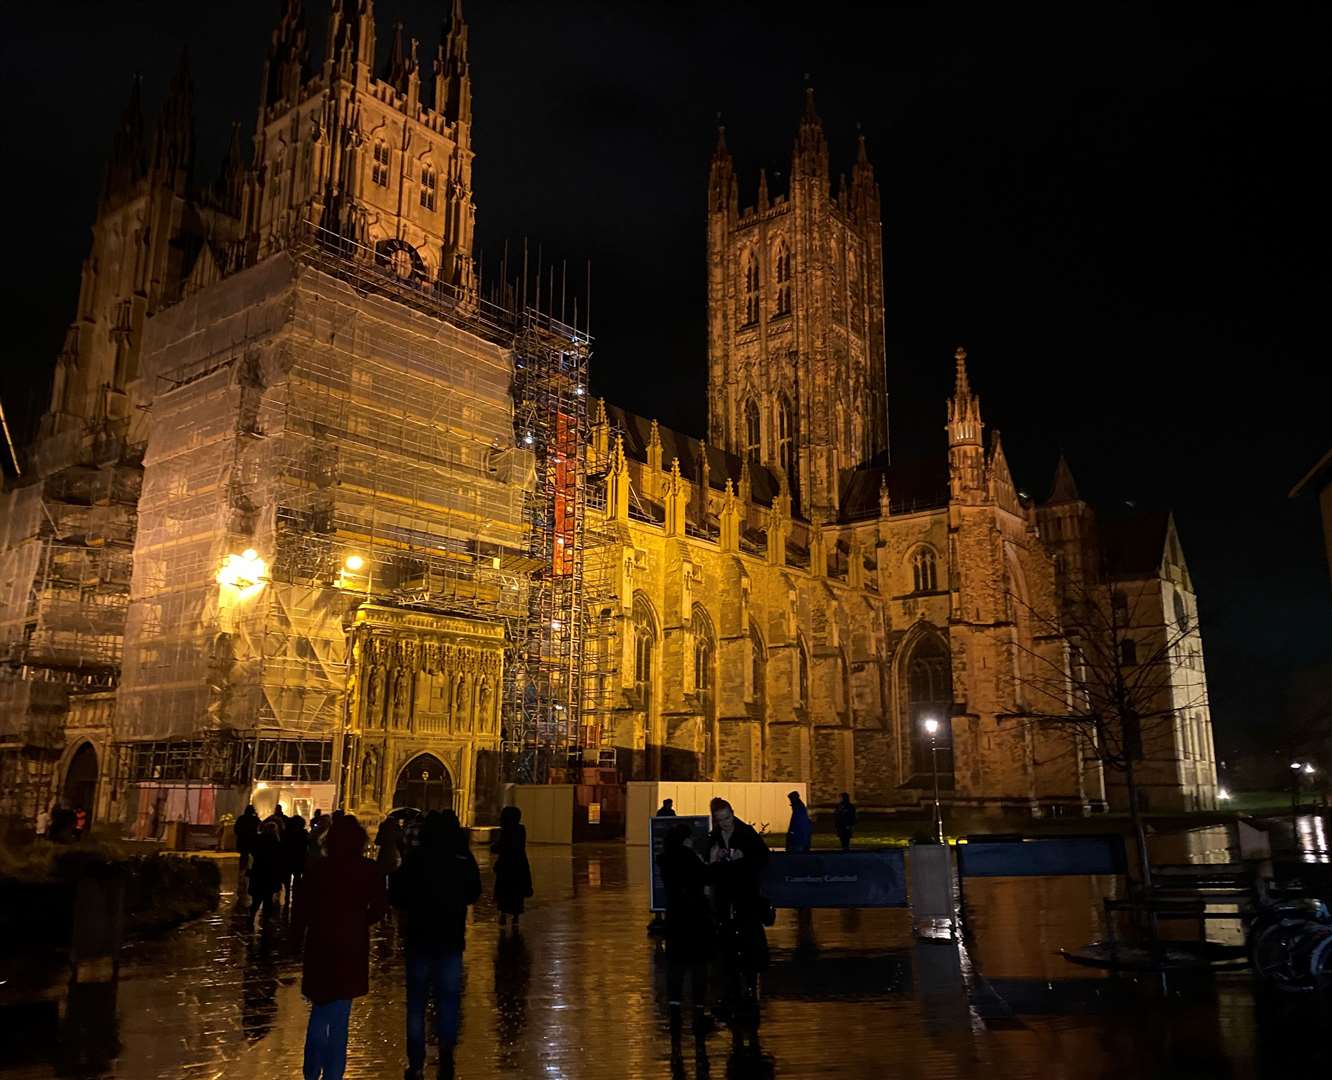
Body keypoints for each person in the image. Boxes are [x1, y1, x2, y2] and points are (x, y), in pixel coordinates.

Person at [292, 814, 387, 1080]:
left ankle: (311, 1071)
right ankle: (334, 1074)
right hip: (350, 947)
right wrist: (359, 922)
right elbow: (380, 908)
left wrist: (295, 939)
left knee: (319, 1011)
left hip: (320, 944)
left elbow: (302, 910)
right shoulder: (368, 869)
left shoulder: (317, 868)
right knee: (340, 1017)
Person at [391, 810, 482, 1080]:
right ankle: (446, 1054)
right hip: (450, 940)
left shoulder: (417, 857)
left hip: (419, 939)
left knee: (417, 1003)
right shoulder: (461, 857)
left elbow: (397, 894)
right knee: (449, 1000)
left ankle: (416, 1062)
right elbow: (474, 892)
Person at [708, 798, 770, 1056]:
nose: (725, 824)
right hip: (724, 900)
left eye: (728, 819)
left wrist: (744, 856)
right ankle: (732, 992)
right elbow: (708, 870)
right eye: (721, 820)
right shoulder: (713, 837)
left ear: (733, 815)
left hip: (746, 898)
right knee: (727, 948)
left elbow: (763, 857)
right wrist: (714, 859)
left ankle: (750, 990)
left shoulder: (746, 833)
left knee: (750, 943)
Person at [658, 822, 714, 1063]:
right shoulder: (689, 857)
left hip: (675, 919)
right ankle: (699, 1009)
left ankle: (674, 1007)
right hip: (694, 919)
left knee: (676, 966)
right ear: (685, 839)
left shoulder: (665, 859)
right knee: (698, 965)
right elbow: (705, 876)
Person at [491, 805, 533, 931]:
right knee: (517, 892)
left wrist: (494, 847)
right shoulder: (520, 830)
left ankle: (503, 914)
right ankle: (515, 917)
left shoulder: (507, 831)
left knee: (504, 889)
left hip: (506, 865)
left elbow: (501, 847)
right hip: (519, 865)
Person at [249, 820, 283, 927]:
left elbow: (253, 854)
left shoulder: (258, 840)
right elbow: (278, 859)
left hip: (258, 871)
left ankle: (251, 917)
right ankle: (266, 919)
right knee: (268, 898)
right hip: (270, 874)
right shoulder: (276, 842)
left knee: (256, 898)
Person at [282, 814, 310, 905]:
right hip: (299, 858)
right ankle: (295, 895)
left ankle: (287, 895)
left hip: (288, 858)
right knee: (297, 877)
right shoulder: (304, 833)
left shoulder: (286, 833)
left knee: (287, 877)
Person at [235, 804, 261, 873]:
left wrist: (240, 835)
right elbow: (260, 826)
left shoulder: (241, 818)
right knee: (252, 855)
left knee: (243, 855)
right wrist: (256, 815)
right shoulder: (255, 819)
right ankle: (250, 869)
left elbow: (236, 829)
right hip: (252, 840)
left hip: (243, 840)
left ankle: (241, 870)